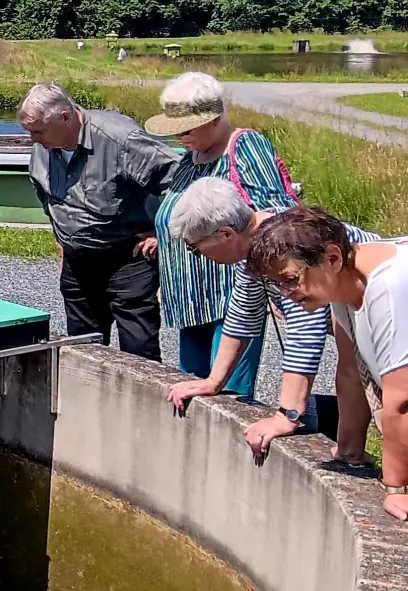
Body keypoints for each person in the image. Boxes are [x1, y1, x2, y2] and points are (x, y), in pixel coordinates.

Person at [165, 178, 379, 459]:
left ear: (226, 234)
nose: (198, 256)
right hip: (360, 326)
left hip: (383, 313)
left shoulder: (284, 247)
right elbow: (243, 314)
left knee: (389, 403)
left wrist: (287, 414)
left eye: (195, 247)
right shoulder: (260, 242)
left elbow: (305, 331)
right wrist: (213, 381)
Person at [246, 207, 408, 521]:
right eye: (278, 285)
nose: (286, 294)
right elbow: (350, 373)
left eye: (290, 280)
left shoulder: (388, 284)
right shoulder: (343, 286)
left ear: (331, 258)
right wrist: (348, 452)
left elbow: (401, 401)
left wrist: (396, 488)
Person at [147, 72, 298, 400]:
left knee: (228, 393)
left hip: (231, 298)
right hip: (189, 299)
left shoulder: (244, 146)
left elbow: (278, 218)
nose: (179, 137)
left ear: (213, 120)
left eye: (185, 129)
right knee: (191, 387)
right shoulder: (191, 158)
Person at [19, 82, 177, 360]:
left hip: (128, 259)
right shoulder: (44, 142)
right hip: (77, 265)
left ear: (65, 117)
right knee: (82, 352)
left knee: (140, 352)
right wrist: (61, 236)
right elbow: (44, 191)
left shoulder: (120, 138)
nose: (33, 139)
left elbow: (179, 179)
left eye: (38, 131)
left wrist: (161, 230)